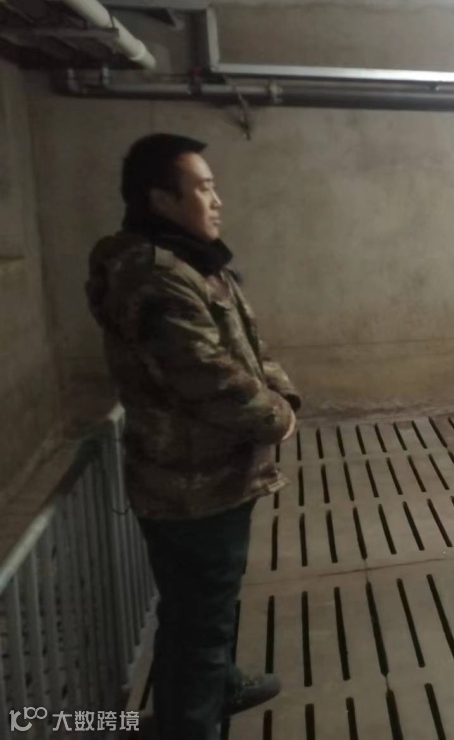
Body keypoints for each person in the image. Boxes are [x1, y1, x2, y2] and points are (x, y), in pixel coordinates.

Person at [86, 134, 300, 740]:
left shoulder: (190, 261)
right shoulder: (155, 276)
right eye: (202, 188)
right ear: (161, 199)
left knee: (207, 603)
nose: (217, 199)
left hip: (210, 474)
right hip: (191, 484)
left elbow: (249, 347)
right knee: (197, 617)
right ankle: (191, 724)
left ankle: (220, 687)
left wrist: (283, 396)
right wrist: (278, 418)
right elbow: (207, 376)